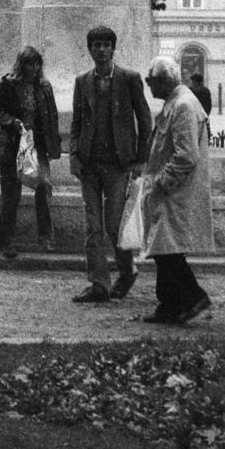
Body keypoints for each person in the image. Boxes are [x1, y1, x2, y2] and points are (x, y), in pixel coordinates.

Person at [69, 25, 153, 304]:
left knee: (115, 224)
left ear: (113, 49)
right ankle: (98, 284)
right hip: (89, 164)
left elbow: (144, 120)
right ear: (90, 49)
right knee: (92, 226)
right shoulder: (82, 81)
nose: (102, 50)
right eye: (96, 45)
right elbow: (77, 122)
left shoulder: (129, 78)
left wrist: (141, 159)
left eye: (106, 45)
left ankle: (126, 272)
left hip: (118, 165)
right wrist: (74, 155)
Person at [140, 56, 215, 325]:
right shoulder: (177, 101)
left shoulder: (182, 105)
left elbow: (186, 156)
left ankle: (192, 299)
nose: (148, 85)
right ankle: (171, 306)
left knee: (167, 251)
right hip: (173, 192)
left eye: (150, 80)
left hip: (175, 193)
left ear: (162, 81)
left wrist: (161, 181)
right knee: (164, 250)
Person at [0, 46, 60, 258]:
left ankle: (46, 236)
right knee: (11, 194)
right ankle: (6, 241)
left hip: (38, 145)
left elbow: (51, 115)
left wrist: (54, 144)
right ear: (21, 64)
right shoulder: (6, 85)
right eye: (29, 64)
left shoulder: (44, 86)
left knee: (44, 186)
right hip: (13, 145)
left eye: (37, 64)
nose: (33, 68)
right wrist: (11, 121)